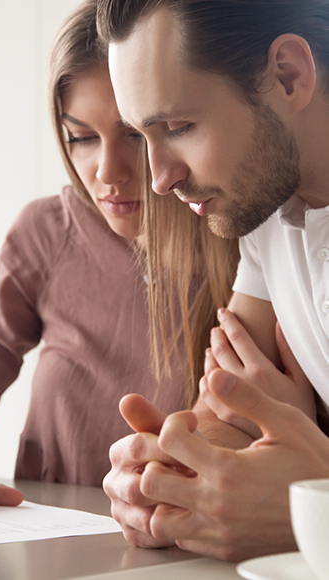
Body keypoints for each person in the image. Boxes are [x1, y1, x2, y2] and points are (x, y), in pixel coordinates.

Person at [0, 0, 238, 514]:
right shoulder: (45, 233)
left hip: (186, 543)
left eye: (133, 135)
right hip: (51, 545)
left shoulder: (245, 240)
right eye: (81, 138)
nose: (107, 172)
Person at [96, 0, 329, 562]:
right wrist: (170, 473)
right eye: (141, 135)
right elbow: (232, 417)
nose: (157, 179)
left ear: (288, 76)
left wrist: (310, 508)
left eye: (178, 126)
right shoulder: (268, 211)